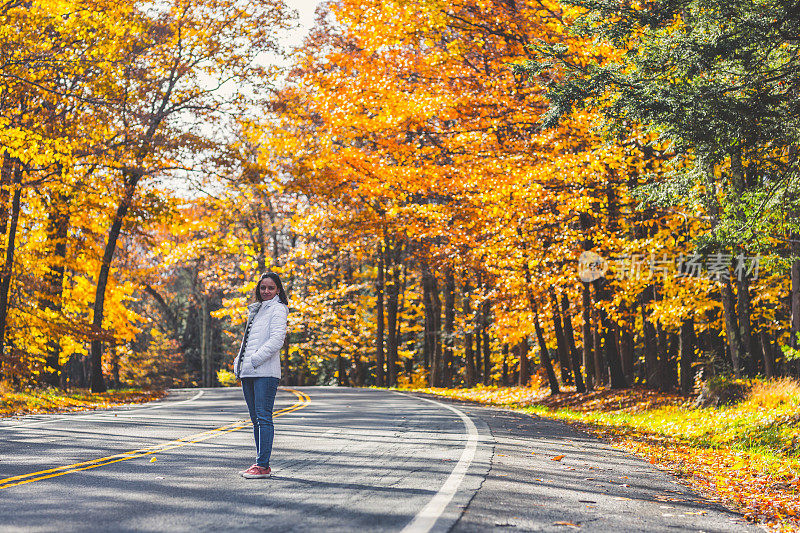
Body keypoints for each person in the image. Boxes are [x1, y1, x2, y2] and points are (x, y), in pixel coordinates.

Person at [233, 271, 289, 479]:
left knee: (264, 418)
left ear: (278, 290)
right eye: (263, 288)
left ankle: (263, 465)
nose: (266, 291)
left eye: (271, 288)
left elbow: (276, 341)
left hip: (265, 372)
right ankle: (260, 463)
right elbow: (247, 341)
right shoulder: (256, 310)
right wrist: (239, 363)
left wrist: (255, 359)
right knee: (255, 419)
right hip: (248, 372)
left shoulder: (278, 309)